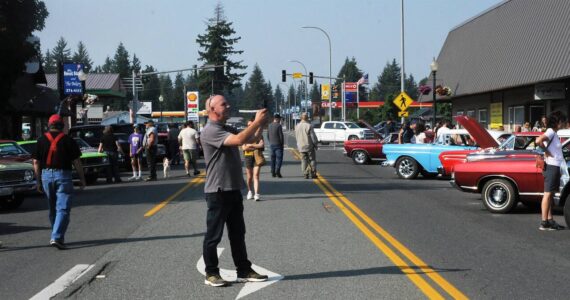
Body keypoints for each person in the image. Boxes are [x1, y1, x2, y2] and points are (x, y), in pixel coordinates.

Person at [200, 94, 269, 287]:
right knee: (213, 236)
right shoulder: (210, 130)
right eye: (224, 104)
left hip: (232, 189)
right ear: (212, 109)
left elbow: (250, 138)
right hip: (218, 190)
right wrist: (256, 122)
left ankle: (243, 269)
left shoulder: (225, 128)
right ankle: (211, 273)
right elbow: (239, 140)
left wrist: (261, 123)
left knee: (238, 233)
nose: (228, 106)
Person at [32, 114, 85, 249]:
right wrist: (82, 178)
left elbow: (36, 162)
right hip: (63, 175)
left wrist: (38, 181)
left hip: (46, 176)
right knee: (63, 208)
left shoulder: (41, 140)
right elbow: (76, 161)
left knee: (53, 208)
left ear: (49, 125)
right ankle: (56, 237)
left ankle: (56, 235)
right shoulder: (68, 140)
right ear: (61, 125)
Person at [536, 111, 567, 231]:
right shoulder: (550, 132)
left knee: (550, 195)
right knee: (548, 194)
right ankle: (544, 222)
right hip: (552, 166)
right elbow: (538, 140)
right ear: (558, 122)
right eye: (562, 121)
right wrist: (546, 151)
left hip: (554, 166)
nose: (564, 123)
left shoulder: (553, 133)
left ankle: (550, 220)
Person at [242, 119, 265, 201]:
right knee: (249, 177)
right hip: (248, 156)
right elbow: (244, 147)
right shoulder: (245, 135)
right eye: (248, 125)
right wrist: (256, 145)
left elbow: (261, 145)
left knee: (256, 175)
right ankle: (249, 191)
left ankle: (256, 194)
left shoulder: (259, 135)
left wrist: (251, 145)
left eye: (251, 125)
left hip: (257, 156)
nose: (250, 126)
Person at [295, 112, 319, 179]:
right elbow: (313, 137)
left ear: (301, 118)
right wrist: (316, 144)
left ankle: (305, 173)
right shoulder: (309, 125)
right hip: (309, 146)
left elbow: (296, 136)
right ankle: (313, 173)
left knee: (303, 160)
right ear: (307, 118)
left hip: (301, 146)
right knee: (312, 160)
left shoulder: (297, 126)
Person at [267, 114, 284, 178]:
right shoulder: (279, 126)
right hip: (278, 145)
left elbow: (268, 135)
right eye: (279, 119)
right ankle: (277, 170)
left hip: (272, 144)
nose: (280, 120)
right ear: (277, 119)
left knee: (273, 159)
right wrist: (282, 144)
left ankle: (273, 172)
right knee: (279, 159)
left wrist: (270, 141)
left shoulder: (269, 125)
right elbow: (281, 136)